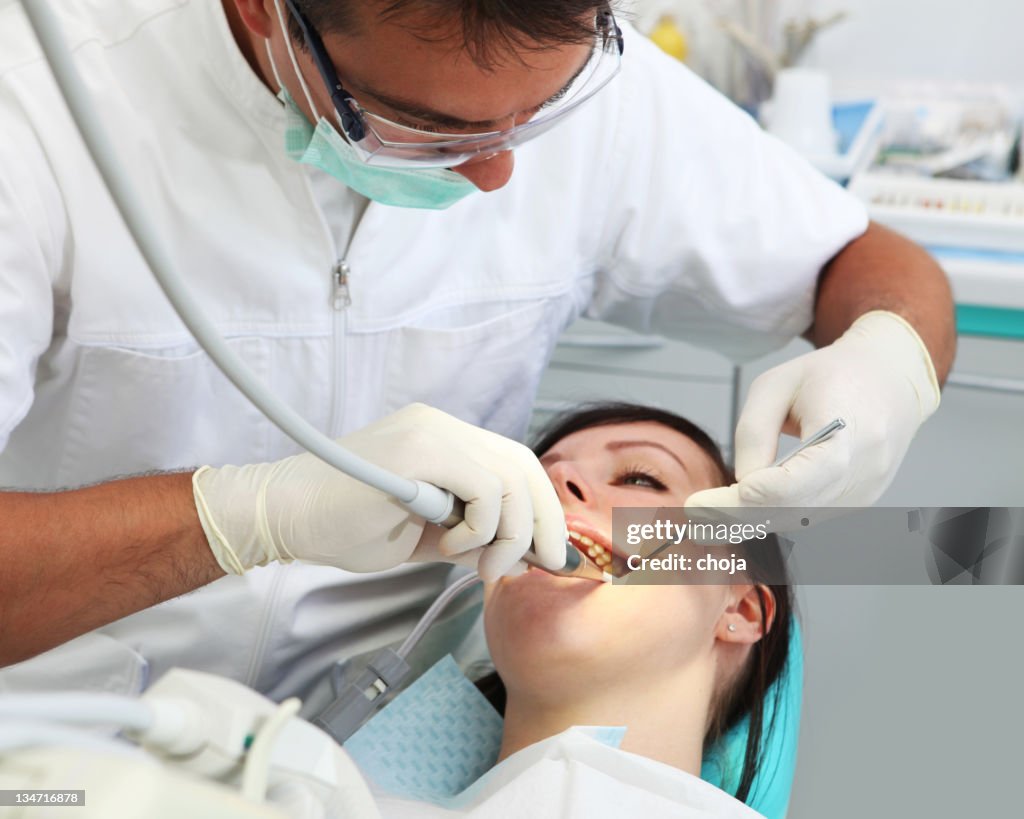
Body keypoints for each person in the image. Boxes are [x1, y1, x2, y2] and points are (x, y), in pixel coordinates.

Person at [0, 0, 953, 697]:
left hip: (394, 742)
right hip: (55, 744)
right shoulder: (35, 109)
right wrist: (241, 518)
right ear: (266, 15)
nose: (500, 169)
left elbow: (871, 262)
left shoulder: (590, 76)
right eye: (434, 129)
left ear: (741, 607)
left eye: (538, 119)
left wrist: (892, 359)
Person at [358, 402, 796, 817]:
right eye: (538, 483)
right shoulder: (323, 796)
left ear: (742, 611)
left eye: (640, 478)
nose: (559, 478)